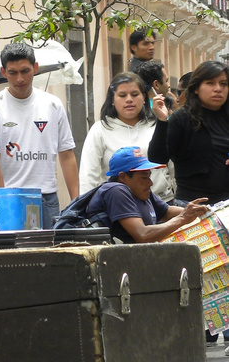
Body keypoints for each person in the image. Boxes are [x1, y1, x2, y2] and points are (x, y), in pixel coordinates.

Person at [0, 42, 79, 228]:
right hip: (12, 199)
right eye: (13, 72)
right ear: (3, 72)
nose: (20, 79)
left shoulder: (53, 105)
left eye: (25, 71)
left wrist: (76, 203)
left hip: (48, 199)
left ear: (35, 68)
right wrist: (3, 202)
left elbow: (67, 155)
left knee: (51, 255)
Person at [78, 72, 174, 200]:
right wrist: (87, 207)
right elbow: (88, 174)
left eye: (135, 94)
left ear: (144, 97)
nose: (129, 99)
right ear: (112, 100)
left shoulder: (158, 125)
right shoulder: (100, 129)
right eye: (122, 95)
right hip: (119, 207)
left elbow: (172, 166)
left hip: (162, 202)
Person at [86, 146, 207, 245]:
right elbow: (143, 235)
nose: (150, 182)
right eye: (144, 177)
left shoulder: (140, 191)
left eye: (149, 176)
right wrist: (182, 219)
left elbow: (166, 212)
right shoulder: (115, 191)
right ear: (123, 177)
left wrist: (201, 211)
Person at [148, 60, 229, 206]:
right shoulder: (182, 119)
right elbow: (157, 158)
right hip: (191, 206)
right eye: (210, 83)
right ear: (196, 88)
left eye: (223, 84)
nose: (218, 89)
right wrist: (162, 121)